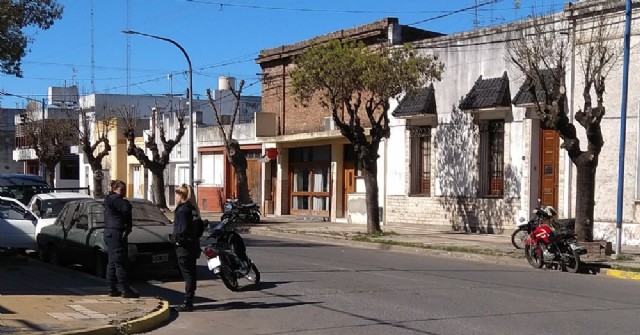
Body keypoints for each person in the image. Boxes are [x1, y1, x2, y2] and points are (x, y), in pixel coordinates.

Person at [103, 180, 139, 298]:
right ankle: (125, 289)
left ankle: (112, 288)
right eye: (121, 189)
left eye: (124, 189)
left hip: (111, 232)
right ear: (114, 189)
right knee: (120, 262)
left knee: (112, 262)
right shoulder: (116, 199)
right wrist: (127, 203)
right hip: (116, 232)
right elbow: (126, 208)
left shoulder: (110, 199)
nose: (123, 192)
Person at [172, 184, 201, 312]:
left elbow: (182, 229)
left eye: (177, 194)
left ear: (181, 195)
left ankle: (187, 302)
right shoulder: (193, 209)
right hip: (193, 246)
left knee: (188, 275)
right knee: (191, 274)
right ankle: (189, 300)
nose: (175, 197)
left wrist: (176, 239)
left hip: (184, 248)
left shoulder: (182, 210)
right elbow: (200, 228)